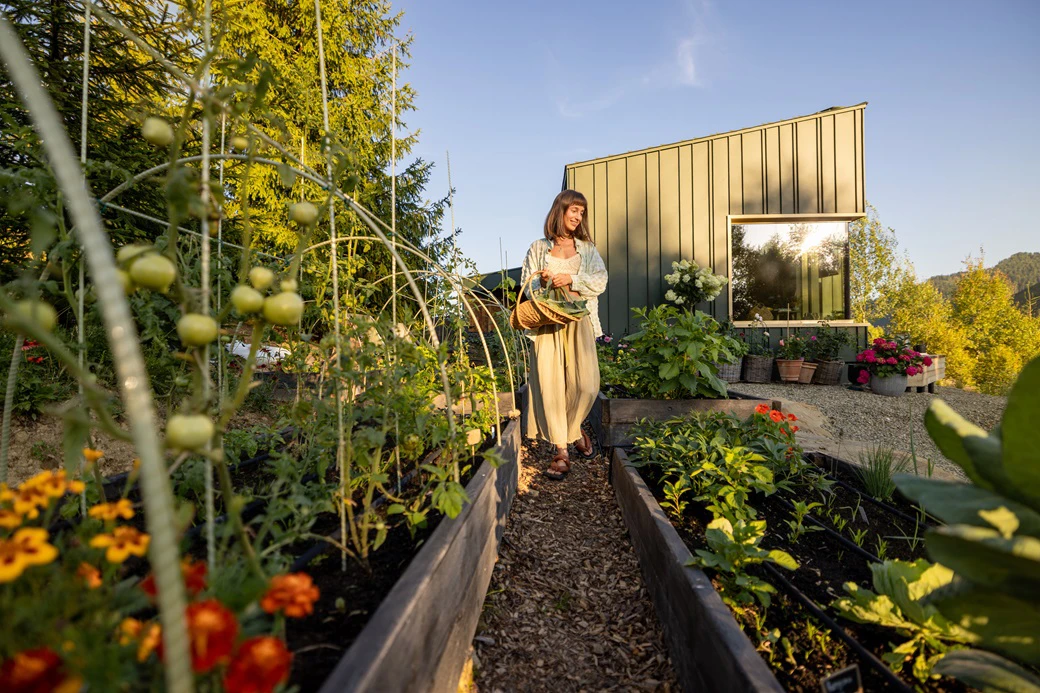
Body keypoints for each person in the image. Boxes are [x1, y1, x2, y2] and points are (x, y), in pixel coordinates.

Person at [520, 189, 608, 479]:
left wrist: (572, 278)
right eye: (574, 209)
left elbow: (600, 281)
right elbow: (527, 286)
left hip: (578, 321)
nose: (578, 216)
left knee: (586, 385)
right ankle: (561, 451)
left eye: (582, 212)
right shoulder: (537, 248)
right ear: (560, 210)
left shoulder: (586, 249)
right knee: (552, 386)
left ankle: (575, 429)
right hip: (548, 324)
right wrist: (544, 282)